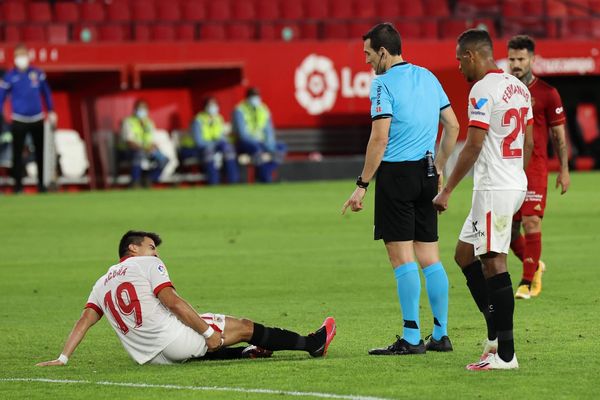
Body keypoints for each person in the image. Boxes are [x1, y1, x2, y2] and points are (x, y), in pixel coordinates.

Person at [36, 230, 336, 366]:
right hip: (173, 342)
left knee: (203, 335)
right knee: (242, 327)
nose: (157, 252)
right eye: (151, 246)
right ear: (133, 249)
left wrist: (63, 358)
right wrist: (208, 334)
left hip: (148, 358)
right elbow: (173, 302)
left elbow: (84, 321)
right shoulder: (146, 264)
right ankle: (313, 344)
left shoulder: (101, 283)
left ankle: (246, 353)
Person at [342, 23, 460, 356]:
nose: (366, 61)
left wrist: (362, 185)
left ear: (382, 51)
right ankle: (441, 334)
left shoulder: (381, 84)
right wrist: (438, 166)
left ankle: (411, 337)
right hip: (426, 173)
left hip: (396, 176)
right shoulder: (428, 76)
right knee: (430, 257)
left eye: (367, 54)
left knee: (401, 258)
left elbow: (379, 139)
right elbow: (452, 126)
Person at [433, 29, 534, 370]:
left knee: (493, 262)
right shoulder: (518, 87)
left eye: (460, 61)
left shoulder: (482, 89)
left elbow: (474, 146)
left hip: (494, 187)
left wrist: (447, 190)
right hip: (511, 181)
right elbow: (529, 142)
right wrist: (513, 175)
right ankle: (493, 335)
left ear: (472, 56)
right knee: (465, 254)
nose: (459, 68)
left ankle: (506, 354)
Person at [507, 35, 570, 300]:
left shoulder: (547, 92)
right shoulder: (504, 90)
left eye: (521, 59)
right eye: (512, 59)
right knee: (508, 231)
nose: (516, 64)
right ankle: (535, 264)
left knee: (532, 222)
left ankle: (526, 280)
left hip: (534, 168)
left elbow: (558, 135)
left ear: (532, 59)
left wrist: (564, 169)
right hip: (508, 169)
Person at [0, 43, 57, 193]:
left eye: (24, 54)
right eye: (19, 55)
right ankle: (18, 187)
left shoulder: (37, 73)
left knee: (40, 153)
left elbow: (47, 92)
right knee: (17, 155)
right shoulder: (10, 76)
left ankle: (41, 185)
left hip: (37, 118)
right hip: (19, 120)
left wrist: (51, 111)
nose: (22, 58)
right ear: (15, 57)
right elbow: (1, 97)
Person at [232, 87, 286, 183]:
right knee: (257, 150)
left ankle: (264, 174)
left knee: (281, 148)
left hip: (262, 143)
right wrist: (259, 142)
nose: (255, 99)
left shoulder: (263, 109)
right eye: (253, 96)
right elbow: (242, 134)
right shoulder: (240, 110)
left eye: (256, 96)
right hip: (246, 143)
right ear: (247, 98)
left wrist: (270, 146)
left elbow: (269, 131)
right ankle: (266, 179)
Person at [181, 97, 239, 185]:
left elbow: (220, 136)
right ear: (205, 107)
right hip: (194, 148)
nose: (213, 107)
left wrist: (226, 141)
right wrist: (216, 143)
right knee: (209, 152)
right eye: (210, 105)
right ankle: (213, 182)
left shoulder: (218, 118)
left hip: (212, 146)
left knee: (228, 149)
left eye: (215, 105)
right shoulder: (198, 120)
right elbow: (199, 142)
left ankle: (233, 182)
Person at [121, 100, 168, 187]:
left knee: (164, 159)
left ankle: (149, 178)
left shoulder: (149, 123)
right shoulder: (128, 122)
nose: (142, 110)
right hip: (130, 151)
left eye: (144, 108)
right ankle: (135, 182)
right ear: (135, 109)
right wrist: (143, 148)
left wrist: (152, 147)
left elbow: (152, 139)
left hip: (147, 150)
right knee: (138, 155)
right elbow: (129, 142)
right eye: (140, 108)